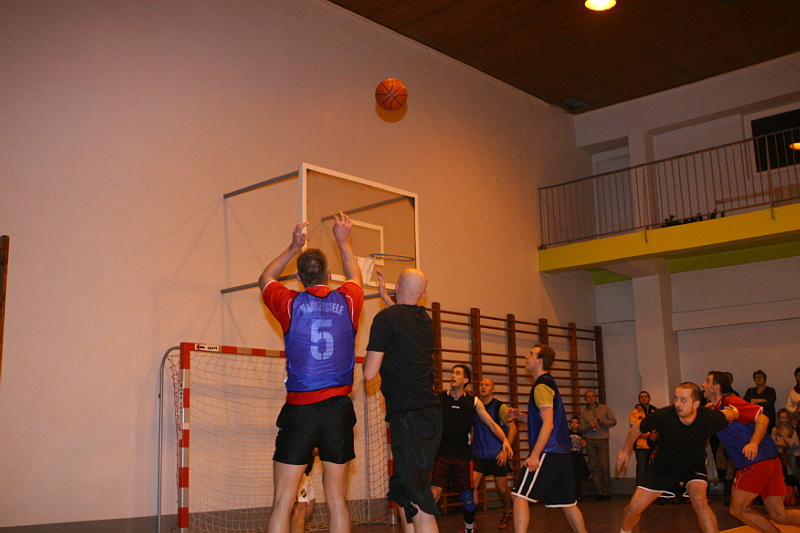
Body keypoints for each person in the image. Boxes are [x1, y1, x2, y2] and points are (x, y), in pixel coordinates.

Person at [259, 213, 364, 533]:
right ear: (329, 276)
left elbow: (266, 277)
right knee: (338, 502)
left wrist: (293, 247)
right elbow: (355, 275)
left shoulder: (289, 303)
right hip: (338, 410)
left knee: (283, 501)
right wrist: (343, 241)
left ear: (299, 278)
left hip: (301, 410)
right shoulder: (348, 300)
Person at [363, 268, 441, 533]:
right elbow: (401, 320)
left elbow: (369, 373)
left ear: (396, 287)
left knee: (419, 497)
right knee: (405, 492)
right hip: (428, 415)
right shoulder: (425, 320)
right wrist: (387, 299)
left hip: (410, 417)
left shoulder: (386, 319)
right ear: (424, 294)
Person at [615, 382, 736, 533]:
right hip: (663, 468)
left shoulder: (709, 417)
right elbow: (637, 428)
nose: (678, 404)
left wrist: (736, 412)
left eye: (683, 400)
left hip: (693, 466)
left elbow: (731, 415)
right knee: (632, 509)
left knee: (700, 501)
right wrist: (625, 450)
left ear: (696, 404)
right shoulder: (664, 416)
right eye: (676, 398)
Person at [704, 371, 800, 533]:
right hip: (770, 460)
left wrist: (753, 443)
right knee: (779, 515)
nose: (704, 385)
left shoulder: (731, 401)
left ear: (716, 387)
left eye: (707, 381)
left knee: (738, 509)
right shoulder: (715, 409)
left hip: (755, 462)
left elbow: (763, 418)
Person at [508, 344, 587, 533]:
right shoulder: (549, 383)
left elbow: (548, 424)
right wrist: (521, 417)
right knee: (567, 503)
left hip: (548, 451)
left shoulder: (542, 386)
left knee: (518, 496)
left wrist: (535, 455)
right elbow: (544, 420)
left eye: (531, 354)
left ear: (540, 361)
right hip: (561, 452)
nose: (526, 356)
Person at [431, 365, 513, 533]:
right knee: (434, 493)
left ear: (466, 380)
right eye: (452, 372)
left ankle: (470, 527)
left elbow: (491, 424)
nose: (453, 375)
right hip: (442, 455)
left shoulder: (473, 402)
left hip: (463, 457)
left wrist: (505, 440)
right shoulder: (439, 399)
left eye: (458, 373)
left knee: (468, 497)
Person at [471, 378, 517, 530]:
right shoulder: (474, 406)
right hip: (478, 453)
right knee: (471, 487)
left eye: (487, 385)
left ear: (493, 389)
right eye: (481, 384)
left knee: (502, 489)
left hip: (496, 454)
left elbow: (512, 428)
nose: (483, 387)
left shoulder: (499, 407)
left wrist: (505, 450)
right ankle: (470, 521)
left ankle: (508, 511)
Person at [580, 389, 617, 500]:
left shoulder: (604, 408)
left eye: (592, 396)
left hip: (602, 440)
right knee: (594, 467)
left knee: (604, 466)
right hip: (590, 440)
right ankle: (599, 492)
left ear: (595, 397)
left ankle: (607, 492)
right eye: (588, 397)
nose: (591, 398)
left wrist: (603, 423)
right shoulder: (583, 412)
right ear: (585, 399)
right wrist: (588, 426)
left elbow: (613, 421)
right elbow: (581, 429)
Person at [628, 391, 658, 487]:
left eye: (646, 396)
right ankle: (640, 491)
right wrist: (649, 435)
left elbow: (659, 425)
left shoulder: (655, 411)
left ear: (649, 398)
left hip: (654, 445)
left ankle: (654, 491)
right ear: (639, 399)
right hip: (641, 445)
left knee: (655, 470)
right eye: (641, 397)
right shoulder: (634, 413)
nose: (644, 398)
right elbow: (636, 427)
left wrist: (655, 434)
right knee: (642, 471)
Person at [772, 408, 800, 486]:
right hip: (780, 453)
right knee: (781, 472)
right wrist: (779, 443)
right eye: (782, 418)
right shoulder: (775, 429)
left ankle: (797, 487)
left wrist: (789, 442)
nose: (784, 420)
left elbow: (796, 443)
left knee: (795, 471)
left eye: (786, 418)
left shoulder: (792, 429)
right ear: (779, 418)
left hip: (790, 452)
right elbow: (772, 442)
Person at [291, 454, 318, 533]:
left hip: (305, 472)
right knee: (300, 508)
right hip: (297, 471)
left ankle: (295, 528)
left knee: (311, 503)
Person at [569, 416, 591, 502]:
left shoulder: (581, 434)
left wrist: (584, 443)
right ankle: (573, 494)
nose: (574, 424)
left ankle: (578, 493)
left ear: (579, 425)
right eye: (572, 422)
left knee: (581, 475)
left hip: (578, 456)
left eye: (576, 423)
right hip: (570, 456)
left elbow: (583, 444)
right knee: (572, 476)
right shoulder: (567, 433)